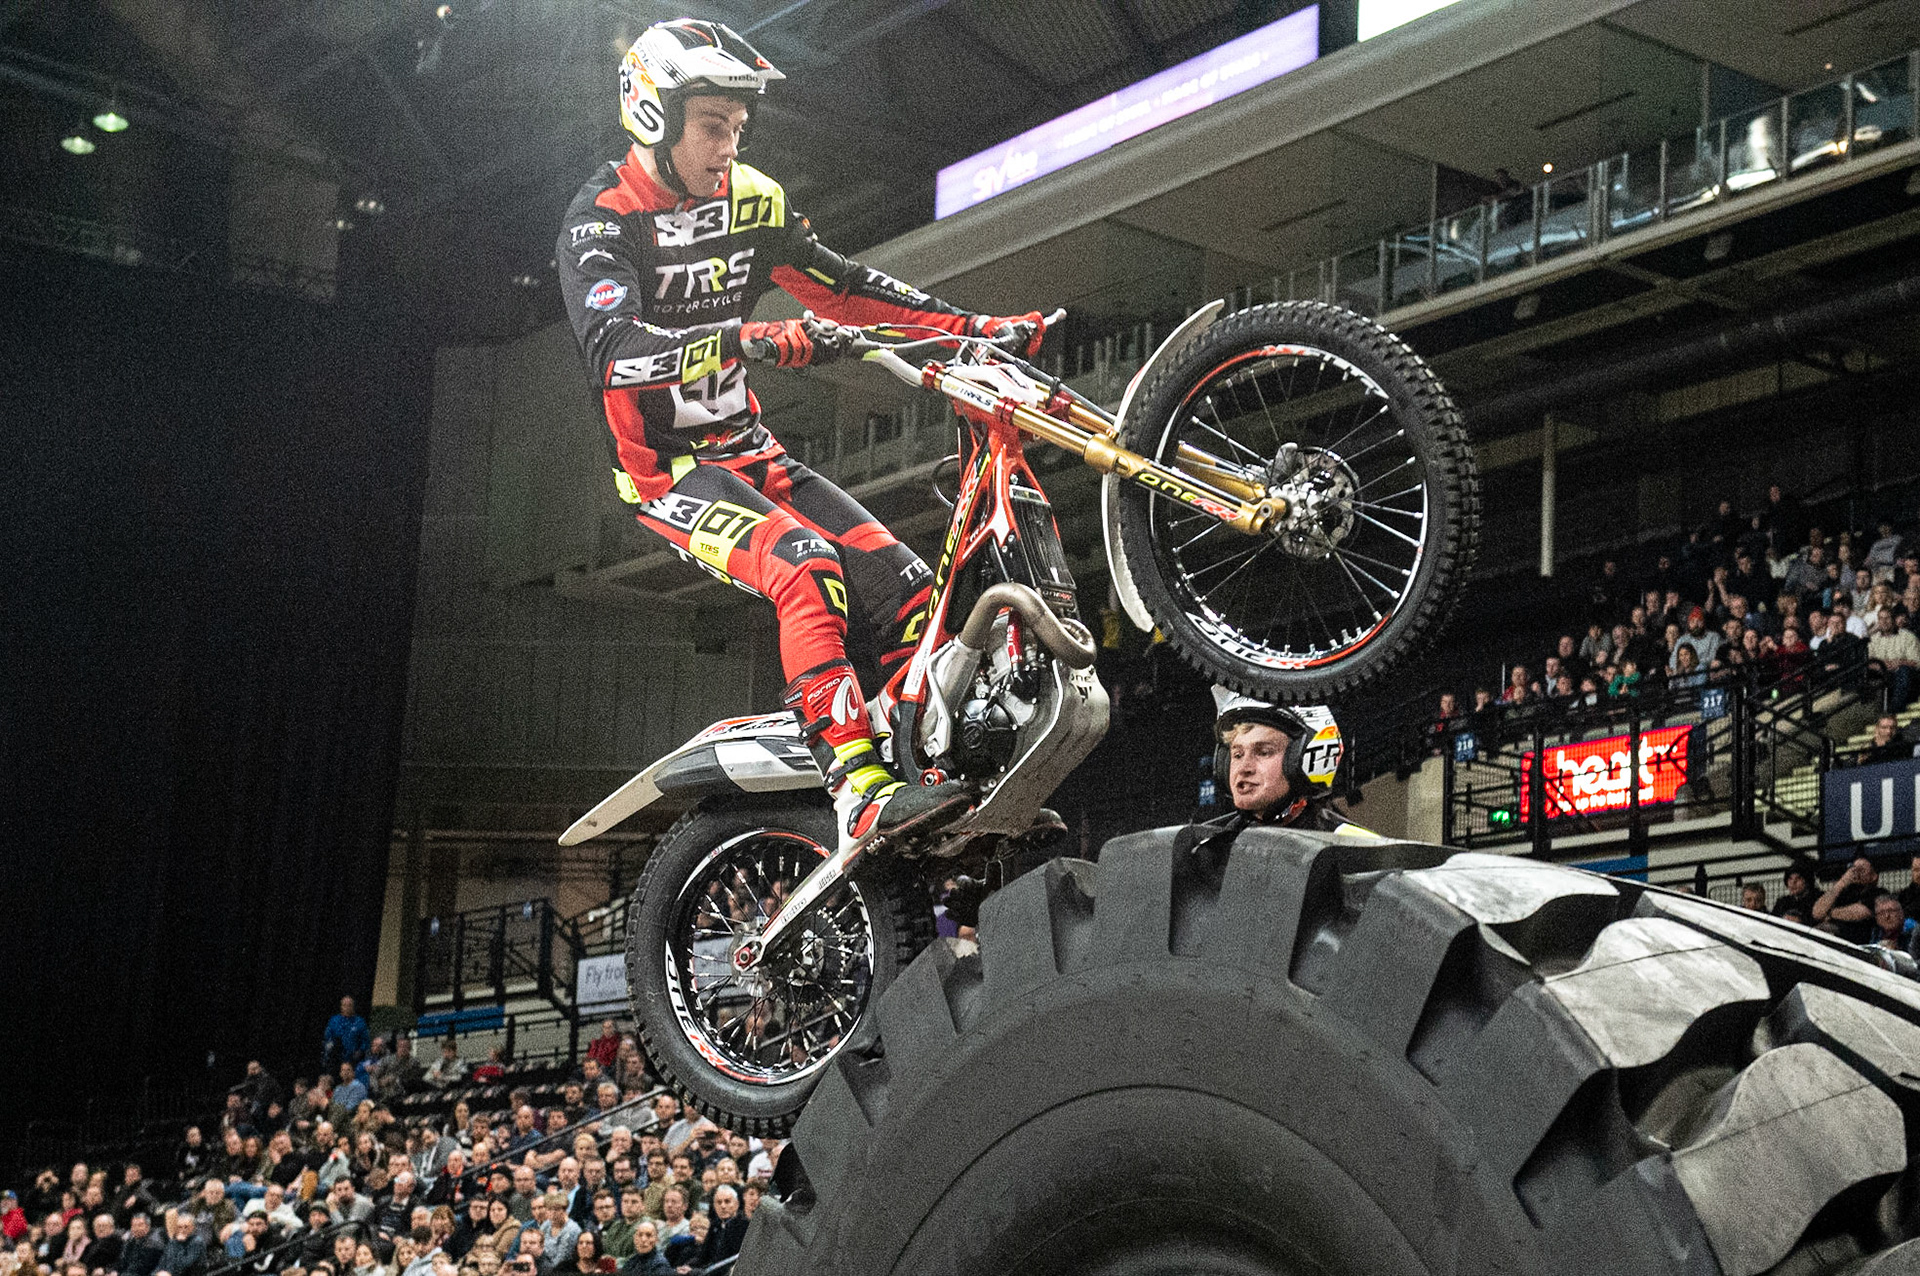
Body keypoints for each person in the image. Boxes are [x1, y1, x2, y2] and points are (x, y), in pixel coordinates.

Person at [557, 18, 1047, 858]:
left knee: (909, 590)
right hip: (667, 475)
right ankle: (858, 792)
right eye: (713, 127)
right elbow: (614, 355)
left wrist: (974, 329)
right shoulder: (600, 220)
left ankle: (930, 782)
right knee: (805, 569)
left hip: (753, 451)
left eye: (738, 128)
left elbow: (844, 290)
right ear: (653, 116)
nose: (729, 147)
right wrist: (745, 339)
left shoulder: (753, 199)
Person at [1191, 691, 1369, 846]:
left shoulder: (1354, 850)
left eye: (1263, 752)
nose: (1244, 768)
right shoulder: (1203, 848)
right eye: (1237, 755)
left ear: (1306, 759)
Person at [1814, 855, 1882, 943]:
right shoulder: (1844, 893)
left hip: (1857, 937)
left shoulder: (1878, 893)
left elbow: (1862, 912)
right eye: (1853, 868)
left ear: (1874, 876)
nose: (1856, 873)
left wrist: (1829, 913)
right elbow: (1817, 913)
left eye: (1861, 869)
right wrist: (1841, 883)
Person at [324, 998, 372, 1072]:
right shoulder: (334, 1020)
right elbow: (327, 1037)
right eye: (344, 1005)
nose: (347, 1008)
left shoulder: (360, 1022)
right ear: (341, 1007)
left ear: (353, 1007)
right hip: (336, 1058)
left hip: (353, 1059)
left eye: (349, 1005)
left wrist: (360, 1050)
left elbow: (365, 1041)